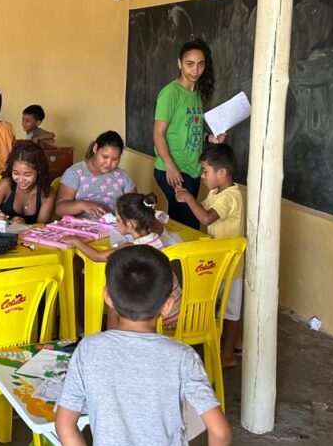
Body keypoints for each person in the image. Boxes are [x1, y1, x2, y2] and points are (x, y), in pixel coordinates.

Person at [56, 246, 231, 446]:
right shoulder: (182, 357)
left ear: (107, 297)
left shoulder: (90, 350)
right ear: (168, 305)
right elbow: (219, 431)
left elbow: (65, 425)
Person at [62, 192, 182, 330]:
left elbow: (97, 256)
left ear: (130, 223)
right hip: (173, 310)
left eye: (118, 220)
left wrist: (75, 241)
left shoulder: (132, 249)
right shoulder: (156, 237)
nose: (116, 223)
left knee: (115, 307)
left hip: (160, 319)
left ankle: (114, 341)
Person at [175, 144, 245, 367]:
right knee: (220, 305)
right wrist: (186, 199)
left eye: (206, 171)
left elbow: (205, 218)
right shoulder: (216, 192)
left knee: (231, 310)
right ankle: (233, 342)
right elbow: (200, 209)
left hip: (231, 265)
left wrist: (188, 198)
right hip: (218, 260)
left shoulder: (230, 197)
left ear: (222, 172)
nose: (203, 176)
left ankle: (228, 355)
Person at [153, 40, 226, 229]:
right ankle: (176, 259)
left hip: (192, 168)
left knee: (181, 224)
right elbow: (158, 133)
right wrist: (170, 166)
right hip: (173, 168)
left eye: (200, 65)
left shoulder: (197, 95)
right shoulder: (170, 93)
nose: (195, 70)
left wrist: (210, 138)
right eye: (190, 64)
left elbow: (189, 129)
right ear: (180, 63)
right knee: (190, 223)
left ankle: (171, 258)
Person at [55, 131, 136, 219]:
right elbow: (60, 209)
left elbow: (134, 204)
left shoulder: (122, 176)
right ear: (95, 148)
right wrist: (83, 205)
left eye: (115, 159)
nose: (109, 163)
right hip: (81, 227)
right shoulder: (75, 173)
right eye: (105, 157)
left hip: (112, 227)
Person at [0, 141, 56, 224]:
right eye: (16, 173)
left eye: (27, 175)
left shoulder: (47, 193)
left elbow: (42, 229)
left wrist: (23, 227)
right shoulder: (6, 185)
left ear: (39, 171)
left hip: (29, 237)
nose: (21, 179)